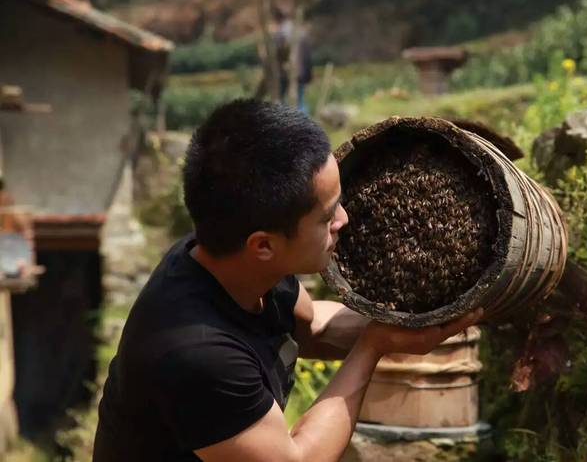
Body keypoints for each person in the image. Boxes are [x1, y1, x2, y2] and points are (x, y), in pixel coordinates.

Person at [92, 99, 484, 462]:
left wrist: (417, 318)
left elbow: (311, 326)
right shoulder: (196, 354)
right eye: (326, 217)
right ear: (263, 245)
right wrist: (373, 347)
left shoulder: (234, 261)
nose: (344, 220)